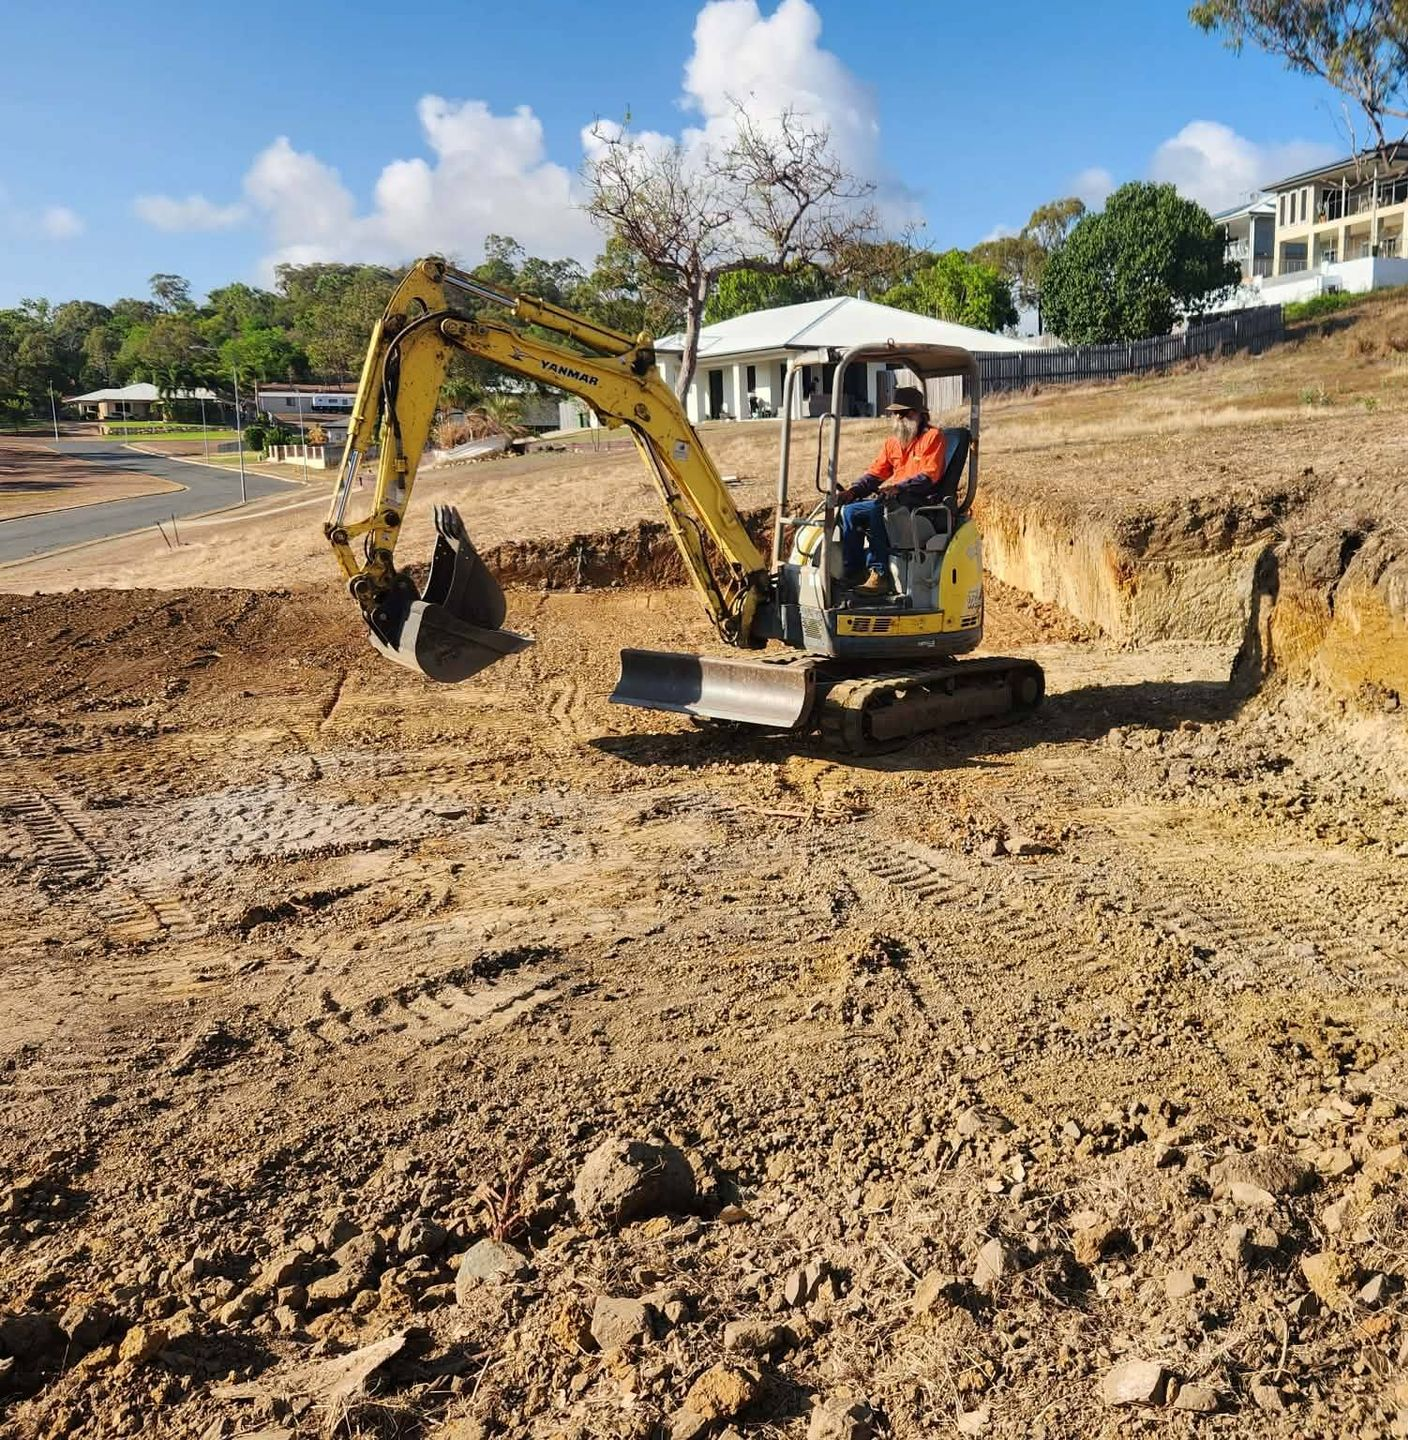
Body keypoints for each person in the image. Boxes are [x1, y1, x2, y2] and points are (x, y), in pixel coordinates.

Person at [835, 386, 947, 595]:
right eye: (896, 413)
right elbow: (875, 474)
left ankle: (880, 574)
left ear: (918, 414)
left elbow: (928, 477)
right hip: (894, 499)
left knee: (878, 510)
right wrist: (853, 491)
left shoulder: (933, 437)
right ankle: (854, 571)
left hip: (920, 502)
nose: (898, 418)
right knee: (849, 511)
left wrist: (898, 488)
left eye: (903, 413)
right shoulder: (893, 443)